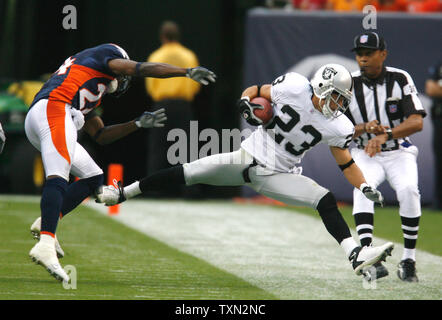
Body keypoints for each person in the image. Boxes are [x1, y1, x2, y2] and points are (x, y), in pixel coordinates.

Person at [96, 63, 395, 280]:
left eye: (342, 100)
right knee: (189, 170)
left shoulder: (338, 125)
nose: (338, 105)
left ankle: (355, 255)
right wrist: (243, 100)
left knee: (324, 199)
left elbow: (344, 159)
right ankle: (123, 192)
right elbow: (257, 90)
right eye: (336, 97)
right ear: (320, 88)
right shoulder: (292, 86)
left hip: (279, 175)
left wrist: (364, 185)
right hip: (247, 156)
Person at [25, 43, 216, 282]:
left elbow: (101, 135)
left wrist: (136, 124)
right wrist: (185, 72)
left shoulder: (86, 81)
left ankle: (47, 220)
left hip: (46, 112)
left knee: (92, 176)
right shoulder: (106, 57)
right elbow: (141, 68)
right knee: (58, 176)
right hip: (55, 109)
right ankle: (45, 243)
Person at [345, 32, 426, 282]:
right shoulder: (348, 84)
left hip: (398, 151)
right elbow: (337, 126)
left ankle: (409, 259)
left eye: (369, 53)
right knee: (363, 188)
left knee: (409, 190)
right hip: (364, 151)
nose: (363, 59)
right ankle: (368, 256)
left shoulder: (399, 78)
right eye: (360, 54)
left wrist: (385, 135)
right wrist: (365, 129)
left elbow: (416, 122)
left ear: (383, 54)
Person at [145, 21, 201, 198]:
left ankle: (154, 189)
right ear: (178, 36)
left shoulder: (156, 56)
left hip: (162, 103)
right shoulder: (188, 55)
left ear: (162, 37)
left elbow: (150, 85)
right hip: (182, 104)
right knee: (187, 146)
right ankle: (189, 190)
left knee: (158, 147)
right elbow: (195, 82)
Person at [425, 61, 442, 210]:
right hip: (439, 119)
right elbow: (431, 88)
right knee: (440, 159)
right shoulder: (439, 66)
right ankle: (439, 201)